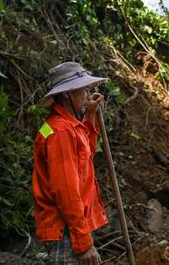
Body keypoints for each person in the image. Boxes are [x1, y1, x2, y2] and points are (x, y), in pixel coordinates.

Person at [33, 61, 109, 265]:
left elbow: (85, 157)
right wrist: (84, 243)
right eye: (83, 89)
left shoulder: (66, 127)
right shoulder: (61, 132)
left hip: (69, 227)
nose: (87, 95)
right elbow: (65, 191)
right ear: (67, 94)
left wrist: (90, 114)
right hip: (65, 229)